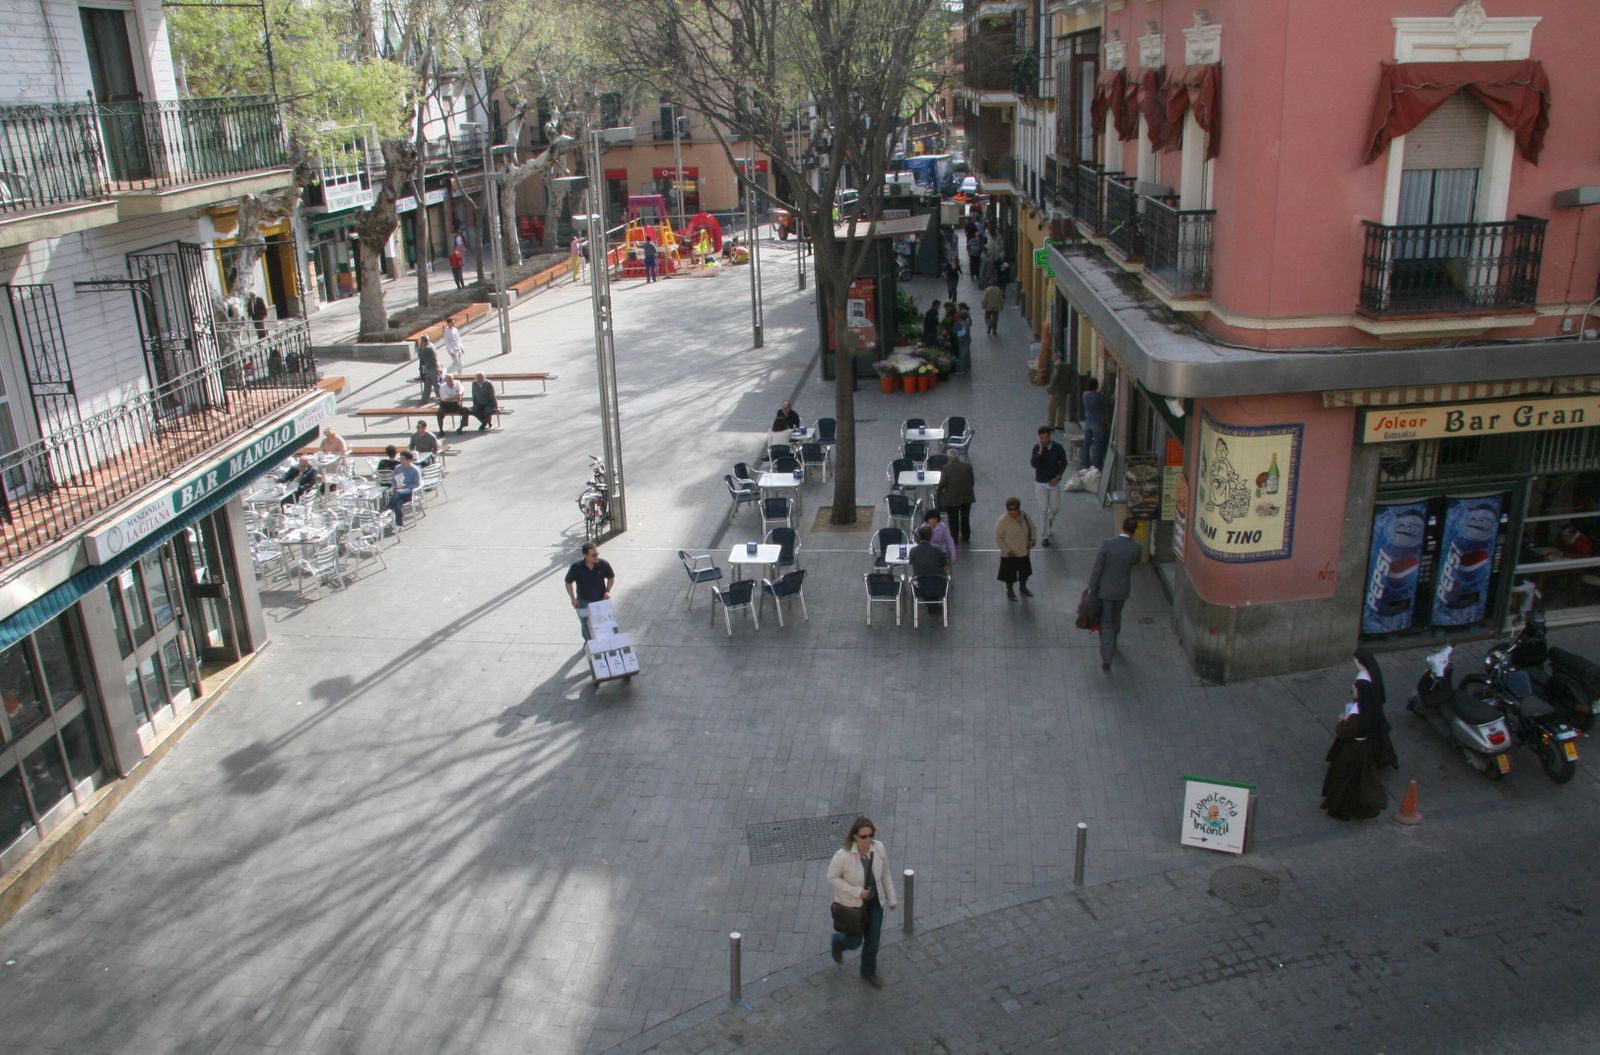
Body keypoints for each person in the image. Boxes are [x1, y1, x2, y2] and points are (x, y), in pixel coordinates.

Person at [826, 816, 898, 989]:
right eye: (863, 837)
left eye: (870, 835)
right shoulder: (843, 856)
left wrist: (891, 898)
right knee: (854, 942)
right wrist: (856, 892)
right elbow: (832, 877)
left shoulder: (878, 848)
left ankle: (868, 972)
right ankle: (837, 943)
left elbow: (885, 874)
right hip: (853, 906)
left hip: (874, 903)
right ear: (855, 837)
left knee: (873, 941)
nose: (868, 840)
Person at [1321, 651, 1392, 821]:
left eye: (1355, 689)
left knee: (1345, 781)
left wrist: (1343, 721)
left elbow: (1344, 732)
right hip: (1363, 748)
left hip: (1352, 751)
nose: (1353, 690)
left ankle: (1341, 809)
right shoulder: (1369, 709)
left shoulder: (1358, 715)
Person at [1087, 517, 1142, 671]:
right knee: (1116, 617)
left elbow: (1098, 568)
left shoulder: (1107, 544)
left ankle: (1107, 655)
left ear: (1122, 527)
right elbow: (1135, 562)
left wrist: (1092, 587)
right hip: (1122, 590)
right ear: (1134, 532)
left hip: (1105, 590)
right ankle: (1114, 640)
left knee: (1106, 621)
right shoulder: (1136, 549)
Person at [1355, 648, 1399, 770]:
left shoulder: (1363, 682)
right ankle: (1388, 758)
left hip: (1369, 714)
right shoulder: (1373, 674)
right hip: (1377, 711)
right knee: (1382, 737)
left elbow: (1363, 703)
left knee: (1372, 740)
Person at [564, 542, 615, 640]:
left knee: (603, 624)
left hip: (601, 601)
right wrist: (573, 599)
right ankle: (588, 643)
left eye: (597, 554)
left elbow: (611, 577)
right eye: (593, 555)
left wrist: (607, 591)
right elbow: (568, 583)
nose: (596, 557)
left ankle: (603, 642)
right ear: (585, 555)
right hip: (583, 602)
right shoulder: (576, 567)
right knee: (586, 626)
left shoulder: (603, 564)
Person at [1031, 426, 1068, 546]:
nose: (1044, 440)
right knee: (1043, 509)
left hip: (1053, 482)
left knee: (1055, 507)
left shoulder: (1058, 448)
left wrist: (1058, 477)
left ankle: (1049, 520)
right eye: (1041, 438)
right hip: (1040, 483)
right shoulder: (1037, 448)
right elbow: (1034, 464)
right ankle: (1044, 536)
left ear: (1049, 436)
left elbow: (1064, 463)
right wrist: (1040, 452)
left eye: (1046, 437)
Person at [995, 497, 1036, 602]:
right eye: (1010, 509)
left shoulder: (1025, 516)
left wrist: (1032, 540)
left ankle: (1023, 587)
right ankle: (1010, 591)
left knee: (1024, 572)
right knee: (1009, 575)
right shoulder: (1003, 521)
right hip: (1010, 554)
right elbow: (998, 538)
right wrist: (1007, 550)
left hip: (1023, 551)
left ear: (1019, 508)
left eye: (1015, 509)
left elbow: (1032, 528)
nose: (1013, 511)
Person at [936, 450, 975, 544]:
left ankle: (954, 538)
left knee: (953, 518)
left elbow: (943, 483)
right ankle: (966, 536)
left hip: (952, 497)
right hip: (967, 495)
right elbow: (972, 481)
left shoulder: (946, 468)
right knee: (965, 516)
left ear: (949, 458)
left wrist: (937, 492)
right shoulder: (967, 466)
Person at [386, 450, 421, 527]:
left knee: (398, 493)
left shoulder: (415, 470)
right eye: (400, 459)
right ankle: (399, 524)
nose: (400, 461)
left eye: (402, 459)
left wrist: (405, 486)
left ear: (409, 460)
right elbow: (393, 480)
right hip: (398, 491)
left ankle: (389, 509)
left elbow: (417, 484)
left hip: (409, 492)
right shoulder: (398, 468)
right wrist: (395, 486)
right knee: (398, 503)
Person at [1081, 377, 1109, 471]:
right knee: (1097, 444)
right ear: (1096, 386)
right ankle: (1094, 465)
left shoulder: (1085, 394)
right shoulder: (1099, 396)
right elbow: (1109, 402)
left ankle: (1085, 463)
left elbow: (1094, 396)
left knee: (1086, 444)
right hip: (1097, 422)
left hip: (1088, 421)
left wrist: (1099, 392)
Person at [1046, 354, 1073, 432]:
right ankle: (1060, 424)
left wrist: (1050, 387)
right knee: (1062, 407)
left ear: (1057, 357)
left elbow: (1054, 378)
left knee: (1051, 408)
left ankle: (1050, 425)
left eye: (1053, 357)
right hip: (1065, 390)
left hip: (1057, 391)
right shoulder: (1067, 366)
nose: (1052, 358)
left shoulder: (1057, 366)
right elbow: (1071, 377)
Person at [416, 336, 440, 402]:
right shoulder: (431, 345)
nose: (421, 343)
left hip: (433, 368)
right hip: (430, 367)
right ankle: (425, 399)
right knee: (427, 383)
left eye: (421, 342)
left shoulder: (427, 348)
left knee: (436, 384)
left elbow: (420, 355)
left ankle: (443, 398)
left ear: (424, 341)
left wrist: (420, 347)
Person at [953, 302, 973, 374]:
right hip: (967, 338)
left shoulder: (960, 323)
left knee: (962, 353)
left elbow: (955, 331)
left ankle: (962, 369)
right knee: (966, 352)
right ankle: (967, 364)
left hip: (962, 340)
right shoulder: (967, 322)